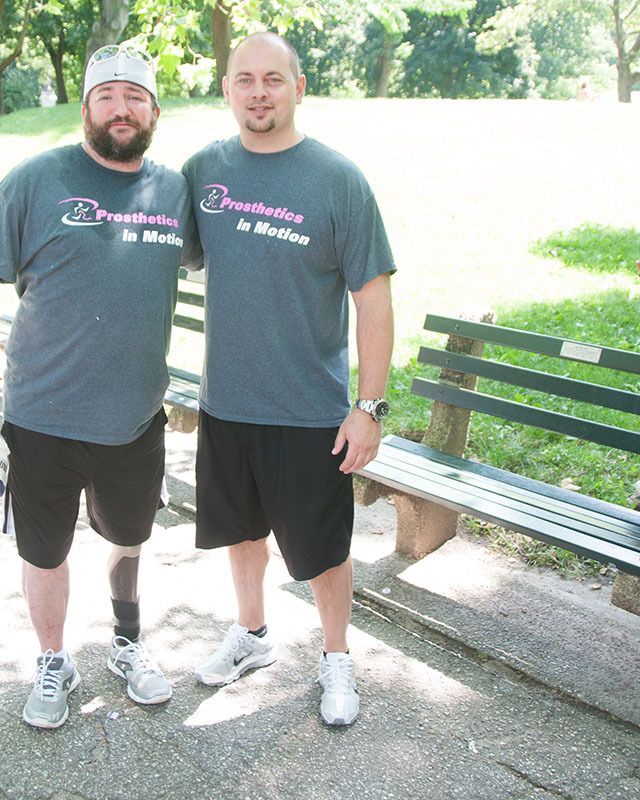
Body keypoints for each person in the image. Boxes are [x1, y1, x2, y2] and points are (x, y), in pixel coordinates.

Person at [0, 42, 197, 729]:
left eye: (134, 96)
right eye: (106, 95)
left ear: (155, 111)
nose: (121, 107)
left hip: (135, 420)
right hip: (42, 417)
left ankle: (127, 644)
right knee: (43, 550)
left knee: (129, 539)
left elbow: (238, 259)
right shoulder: (35, 180)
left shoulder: (174, 192)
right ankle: (53, 659)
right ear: (85, 108)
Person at [182, 32, 396, 727]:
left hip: (310, 410)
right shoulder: (202, 172)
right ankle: (252, 635)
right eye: (244, 79)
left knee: (323, 550)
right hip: (227, 403)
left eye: (273, 79)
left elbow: (373, 297)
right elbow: (155, 254)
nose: (258, 92)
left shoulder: (337, 180)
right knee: (242, 531)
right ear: (226, 88)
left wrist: (369, 406)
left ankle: (336, 657)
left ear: (298, 88)